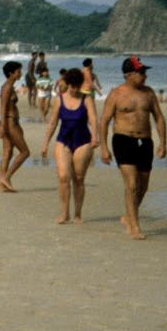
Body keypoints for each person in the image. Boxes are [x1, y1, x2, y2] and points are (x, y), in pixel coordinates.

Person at [98, 57, 167, 240]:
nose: (145, 76)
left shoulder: (149, 93)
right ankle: (134, 225)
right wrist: (103, 148)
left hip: (145, 142)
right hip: (123, 140)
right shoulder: (116, 94)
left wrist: (163, 143)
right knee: (132, 184)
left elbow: (159, 118)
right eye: (141, 72)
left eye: (145, 72)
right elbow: (104, 120)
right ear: (129, 74)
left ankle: (129, 216)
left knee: (143, 186)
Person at [41, 68, 98, 223]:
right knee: (63, 176)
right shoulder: (59, 99)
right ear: (67, 84)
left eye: (76, 86)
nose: (73, 89)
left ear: (80, 85)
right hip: (63, 141)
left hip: (83, 142)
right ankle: (64, 213)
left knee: (78, 178)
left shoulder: (86, 99)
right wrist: (45, 143)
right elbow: (53, 123)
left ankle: (78, 213)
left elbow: (93, 119)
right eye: (71, 86)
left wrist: (95, 137)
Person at [0, 61, 30, 192]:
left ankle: (2, 185)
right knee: (25, 152)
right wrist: (2, 127)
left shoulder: (9, 85)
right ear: (11, 73)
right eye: (18, 71)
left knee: (8, 153)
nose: (20, 73)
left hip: (10, 121)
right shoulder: (7, 87)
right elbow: (3, 107)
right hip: (9, 122)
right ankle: (6, 177)